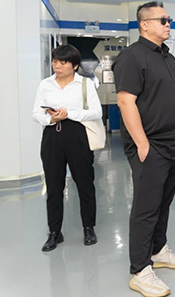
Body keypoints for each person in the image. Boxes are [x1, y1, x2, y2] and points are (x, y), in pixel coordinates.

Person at [113, 1, 175, 297]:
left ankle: (158, 251)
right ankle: (140, 270)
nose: (168, 24)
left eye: (169, 20)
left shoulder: (167, 56)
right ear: (144, 24)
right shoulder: (132, 56)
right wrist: (142, 143)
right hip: (152, 146)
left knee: (163, 202)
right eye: (162, 20)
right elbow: (126, 101)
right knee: (146, 208)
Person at [33, 45, 102, 252]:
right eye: (55, 61)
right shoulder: (45, 84)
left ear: (74, 66)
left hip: (78, 135)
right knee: (54, 186)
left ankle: (88, 227)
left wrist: (69, 113)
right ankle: (54, 231)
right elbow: (36, 113)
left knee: (85, 183)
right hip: (52, 136)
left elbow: (96, 112)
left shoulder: (85, 84)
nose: (57, 66)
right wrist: (50, 118)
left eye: (63, 62)